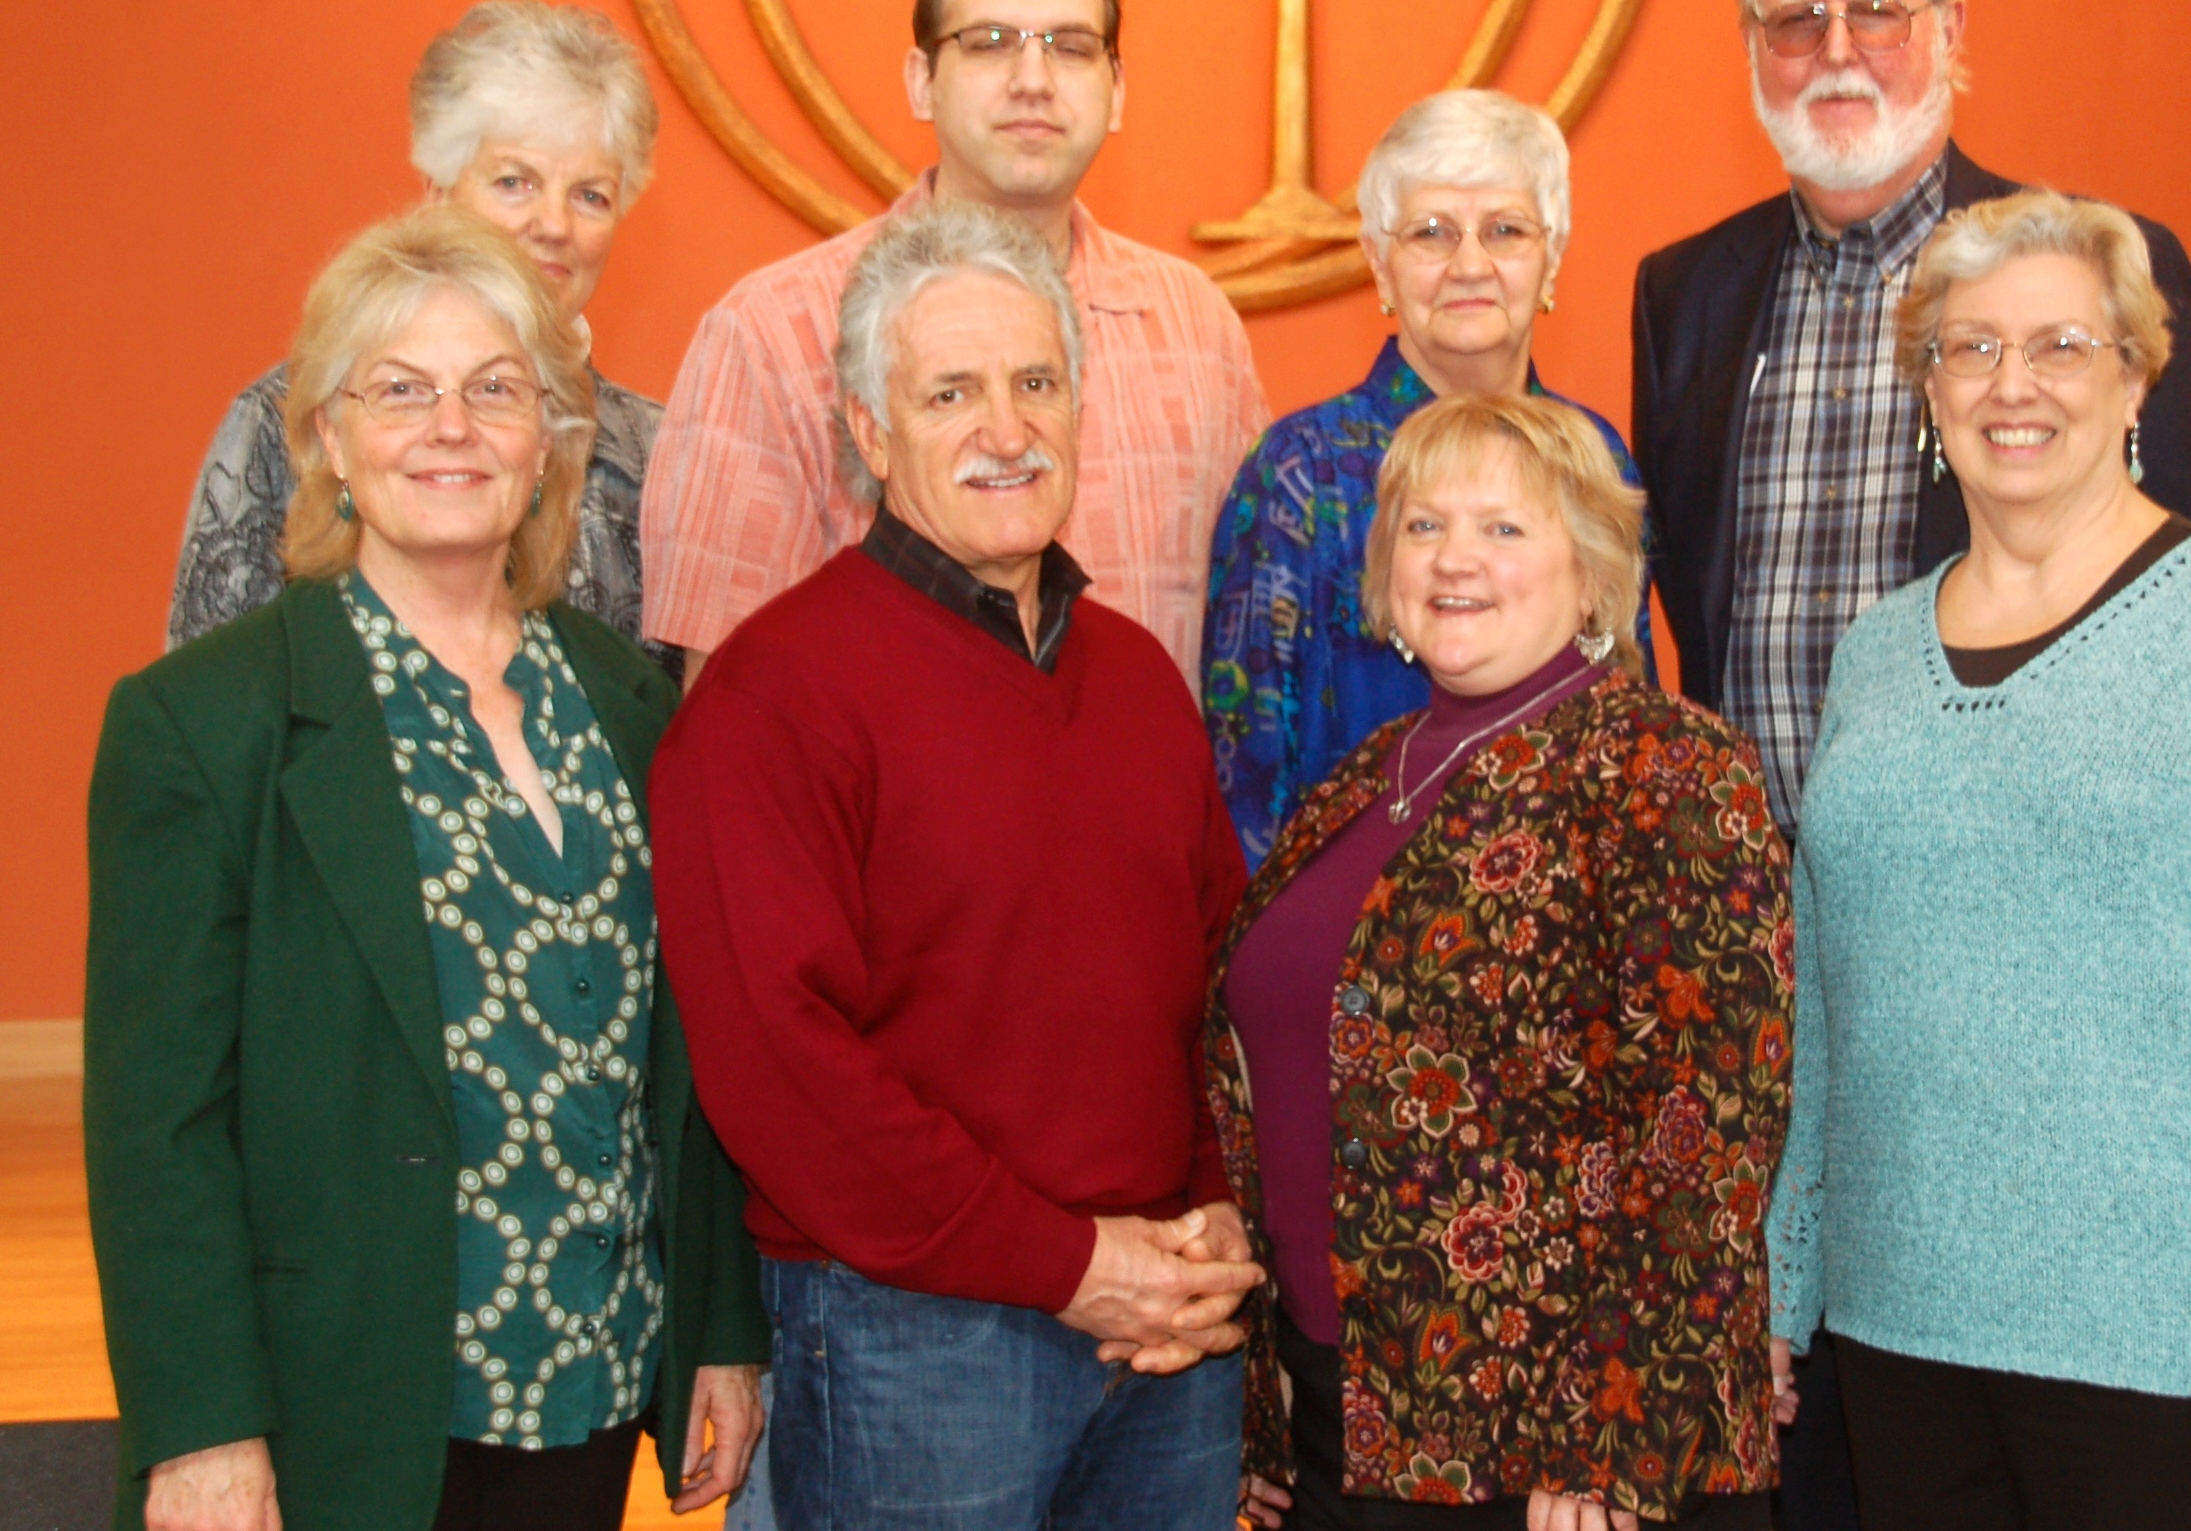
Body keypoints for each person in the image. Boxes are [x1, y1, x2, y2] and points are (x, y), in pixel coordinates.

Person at [1628, 0, 2191, 1523]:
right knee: (1820, 1434)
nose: (1836, 50)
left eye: (1877, 12)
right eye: (1796, 19)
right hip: (1769, 976)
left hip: (2032, 1006)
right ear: (1750, 47)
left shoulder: (2086, 281)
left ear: (1951, 35)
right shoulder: (1684, 293)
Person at [86, 207, 767, 1531]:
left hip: (587, 1373)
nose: (450, 427)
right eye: (398, 390)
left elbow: (689, 1062)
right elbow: (155, 1125)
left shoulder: (628, 702)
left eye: (494, 390)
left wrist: (718, 1330)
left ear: (547, 440)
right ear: (327, 439)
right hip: (330, 1404)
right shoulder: (205, 723)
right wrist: (202, 1424)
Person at [1768, 190, 2191, 1531]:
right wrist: (1786, 1274)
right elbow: (1828, 1001)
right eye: (1969, 347)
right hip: (1900, 1333)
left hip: (2182, 1352)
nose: (2011, 383)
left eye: (2061, 345)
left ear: (2135, 380)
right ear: (1928, 390)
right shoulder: (1876, 652)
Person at [647, 198, 1263, 1531]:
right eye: (951, 393)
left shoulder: (1138, 681)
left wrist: (1216, 1209)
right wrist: (1064, 1261)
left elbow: (1214, 988)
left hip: (1166, 1326)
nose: (1006, 428)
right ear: (870, 433)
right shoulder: (770, 698)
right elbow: (780, 1070)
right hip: (913, 1338)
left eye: (1037, 382)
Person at [1208, 393, 1791, 1531]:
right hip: (1344, 1414)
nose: (1453, 556)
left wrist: (1612, 1439)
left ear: (1593, 574)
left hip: (1559, 1452)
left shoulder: (1666, 765)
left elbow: (1709, 1129)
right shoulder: (1358, 781)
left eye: (1504, 527)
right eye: (1423, 526)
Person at [639, 0, 1268, 683]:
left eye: (1071, 47)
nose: (1033, 80)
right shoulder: (772, 332)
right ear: (921, 81)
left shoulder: (1196, 328)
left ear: (1116, 90)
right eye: (991, 42)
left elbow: (1253, 660)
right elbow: (729, 700)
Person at [1202, 90, 1650, 867]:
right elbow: (1245, 787)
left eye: (1505, 230)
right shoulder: (1301, 474)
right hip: (1349, 918)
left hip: (1564, 915)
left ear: (1552, 256)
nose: (1470, 264)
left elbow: (1632, 725)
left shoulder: (1597, 460)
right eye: (1431, 233)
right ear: (1380, 262)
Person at [168, 0, 681, 677]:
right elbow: (209, 698)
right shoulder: (290, 416)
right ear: (437, 192)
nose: (555, 224)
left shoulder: (662, 452)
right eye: (515, 182)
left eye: (591, 195)